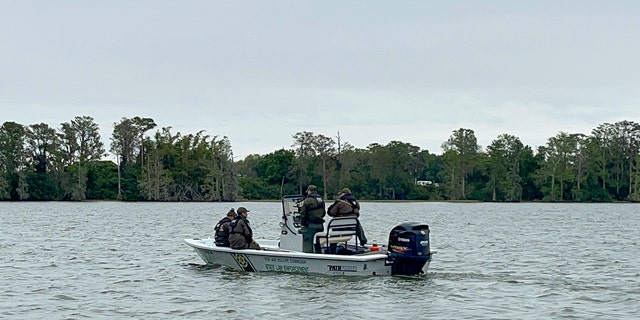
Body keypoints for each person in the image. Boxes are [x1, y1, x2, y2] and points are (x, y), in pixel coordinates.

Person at [298, 185, 326, 253]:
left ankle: (307, 255)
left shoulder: (307, 200)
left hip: (310, 226)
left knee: (306, 239)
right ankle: (319, 254)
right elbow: (323, 213)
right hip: (320, 225)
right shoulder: (321, 200)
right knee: (318, 242)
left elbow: (303, 213)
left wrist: (303, 222)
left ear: (309, 191)